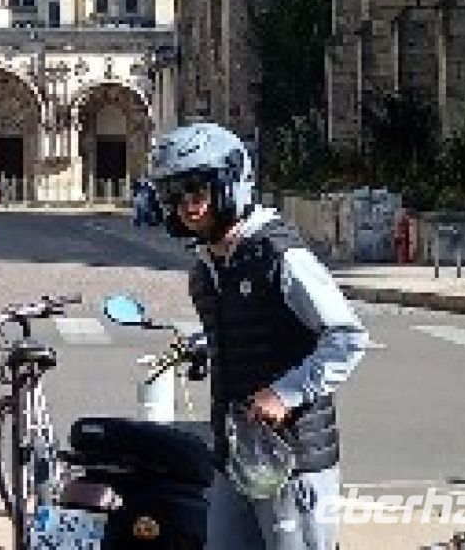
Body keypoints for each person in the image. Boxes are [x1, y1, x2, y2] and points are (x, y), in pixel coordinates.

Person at [149, 123, 367, 550]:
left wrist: (285, 394)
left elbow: (346, 337)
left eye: (197, 190)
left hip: (292, 459)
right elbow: (251, 330)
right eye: (174, 195)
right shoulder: (206, 269)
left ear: (229, 184)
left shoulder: (279, 255)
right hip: (236, 454)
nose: (187, 207)